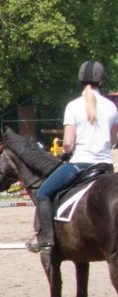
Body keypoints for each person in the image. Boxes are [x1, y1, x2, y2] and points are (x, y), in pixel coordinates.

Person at [28, 60, 118, 253]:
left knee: (43, 192)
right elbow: (112, 140)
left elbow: (68, 143)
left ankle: (46, 241)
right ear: (101, 81)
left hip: (80, 166)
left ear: (80, 80)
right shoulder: (111, 107)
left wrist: (64, 153)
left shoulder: (73, 106)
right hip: (106, 167)